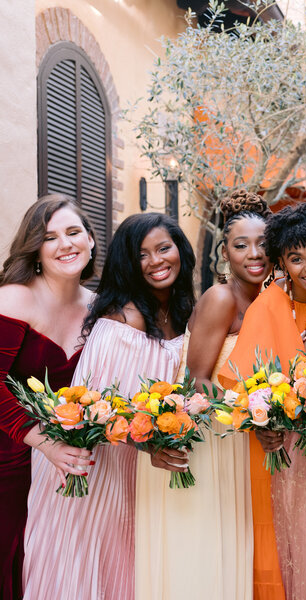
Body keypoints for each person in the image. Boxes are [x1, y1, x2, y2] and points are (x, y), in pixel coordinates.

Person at [24, 213, 195, 600]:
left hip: (145, 474)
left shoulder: (185, 312)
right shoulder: (121, 322)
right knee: (90, 566)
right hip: (96, 471)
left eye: (163, 249)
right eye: (142, 254)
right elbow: (98, 411)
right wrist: (147, 443)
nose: (156, 261)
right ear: (127, 263)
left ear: (180, 251)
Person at [135, 192, 278, 600]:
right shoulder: (221, 298)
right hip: (206, 443)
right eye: (240, 245)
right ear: (225, 253)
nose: (254, 254)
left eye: (263, 244)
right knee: (202, 554)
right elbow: (196, 382)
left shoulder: (269, 300)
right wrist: (256, 413)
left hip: (236, 442)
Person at [218, 201, 306, 600]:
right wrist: (263, 423)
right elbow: (238, 384)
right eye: (296, 258)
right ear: (282, 264)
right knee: (282, 542)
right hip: (278, 449)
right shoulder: (269, 304)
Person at [0, 195, 95, 599]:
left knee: (45, 566)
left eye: (73, 232)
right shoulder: (15, 298)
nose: (65, 244)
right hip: (9, 453)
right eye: (50, 237)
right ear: (36, 249)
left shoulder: (99, 308)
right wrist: (43, 440)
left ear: (91, 240)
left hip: (62, 462)